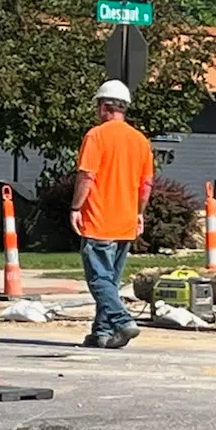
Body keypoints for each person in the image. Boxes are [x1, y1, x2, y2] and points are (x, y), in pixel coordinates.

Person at [73, 80, 154, 348]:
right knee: (110, 281)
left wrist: (75, 207)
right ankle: (102, 332)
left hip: (99, 221)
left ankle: (122, 321)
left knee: (98, 280)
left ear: (104, 107)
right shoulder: (140, 141)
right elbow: (146, 185)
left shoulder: (96, 136)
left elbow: (87, 176)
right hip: (125, 222)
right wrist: (139, 213)